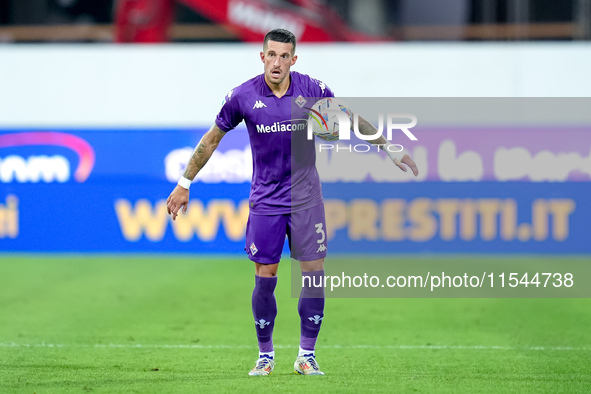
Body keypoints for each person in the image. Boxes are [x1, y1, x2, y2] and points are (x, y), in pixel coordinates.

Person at [166, 28, 419, 376]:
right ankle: (265, 355)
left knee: (314, 274)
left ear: (293, 60)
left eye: (285, 56)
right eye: (272, 54)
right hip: (266, 202)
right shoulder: (242, 96)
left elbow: (348, 118)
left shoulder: (311, 89)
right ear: (262, 57)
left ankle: (306, 355)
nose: (277, 62)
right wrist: (184, 183)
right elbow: (211, 140)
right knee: (265, 276)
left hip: (305, 199)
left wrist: (388, 146)